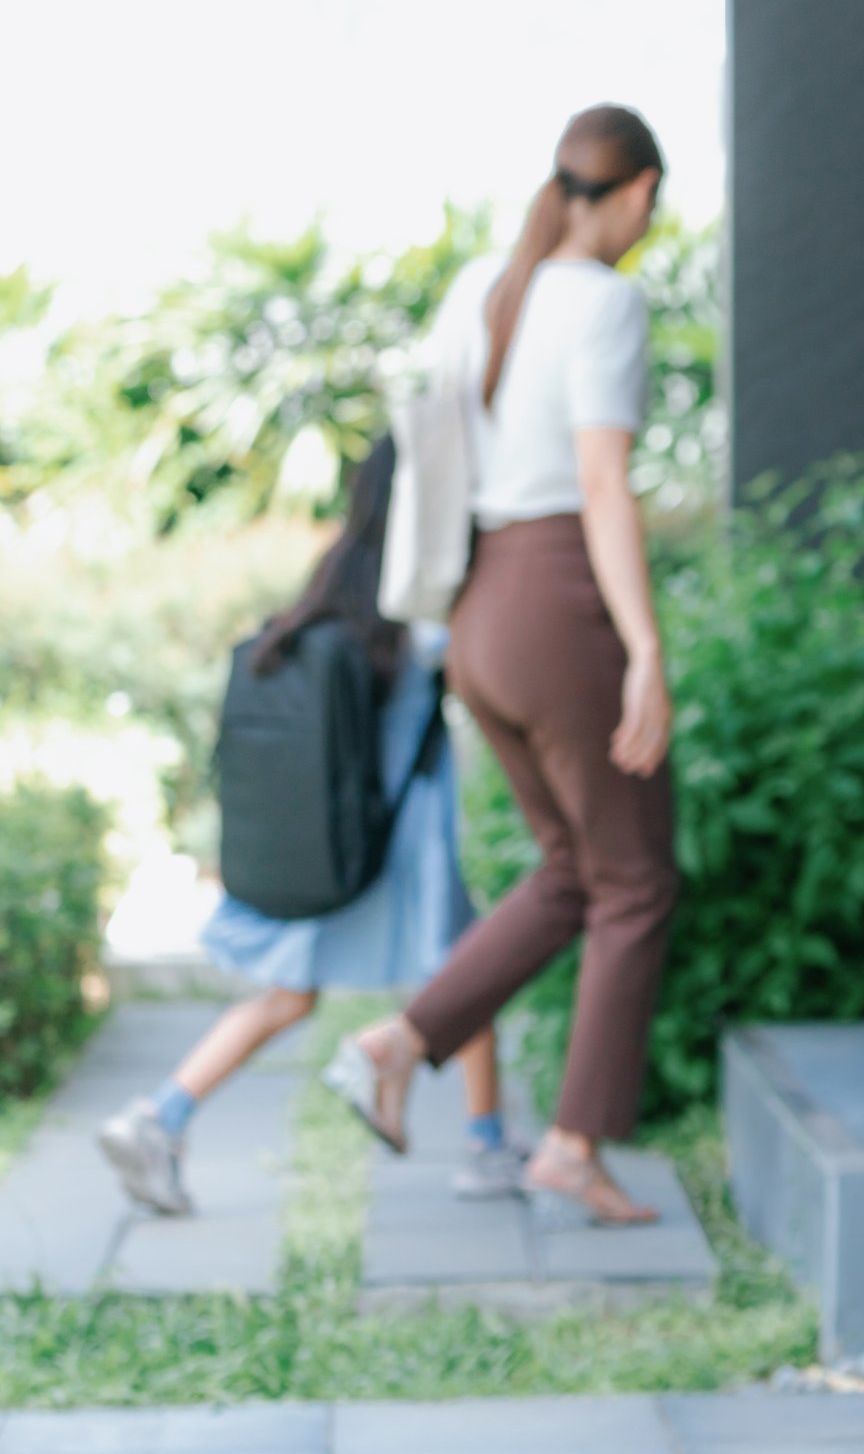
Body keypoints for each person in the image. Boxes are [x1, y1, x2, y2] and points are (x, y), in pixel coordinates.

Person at [322, 103, 679, 1227]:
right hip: (560, 600)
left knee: (575, 870)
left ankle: (400, 1040)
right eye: (648, 209)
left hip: (479, 613)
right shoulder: (608, 301)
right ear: (634, 195)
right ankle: (572, 1142)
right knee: (636, 881)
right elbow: (604, 484)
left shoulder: (485, 283)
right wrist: (645, 651)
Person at [97, 444, 520, 1215]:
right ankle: (487, 1147)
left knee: (289, 996)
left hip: (335, 835)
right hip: (399, 836)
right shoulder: (424, 598)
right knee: (469, 976)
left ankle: (161, 1116)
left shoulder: (336, 581)